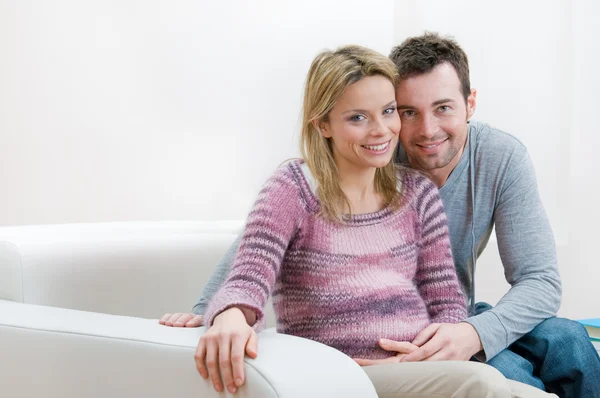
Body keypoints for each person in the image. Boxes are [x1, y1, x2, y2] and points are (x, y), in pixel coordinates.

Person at [164, 33, 600, 397]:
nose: (426, 130)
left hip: (454, 319)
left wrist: (472, 333)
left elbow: (539, 281)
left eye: (443, 107)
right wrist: (214, 312)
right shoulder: (366, 160)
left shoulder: (499, 159)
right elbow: (254, 255)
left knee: (570, 342)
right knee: (513, 379)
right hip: (403, 338)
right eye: (407, 111)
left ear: (470, 103)